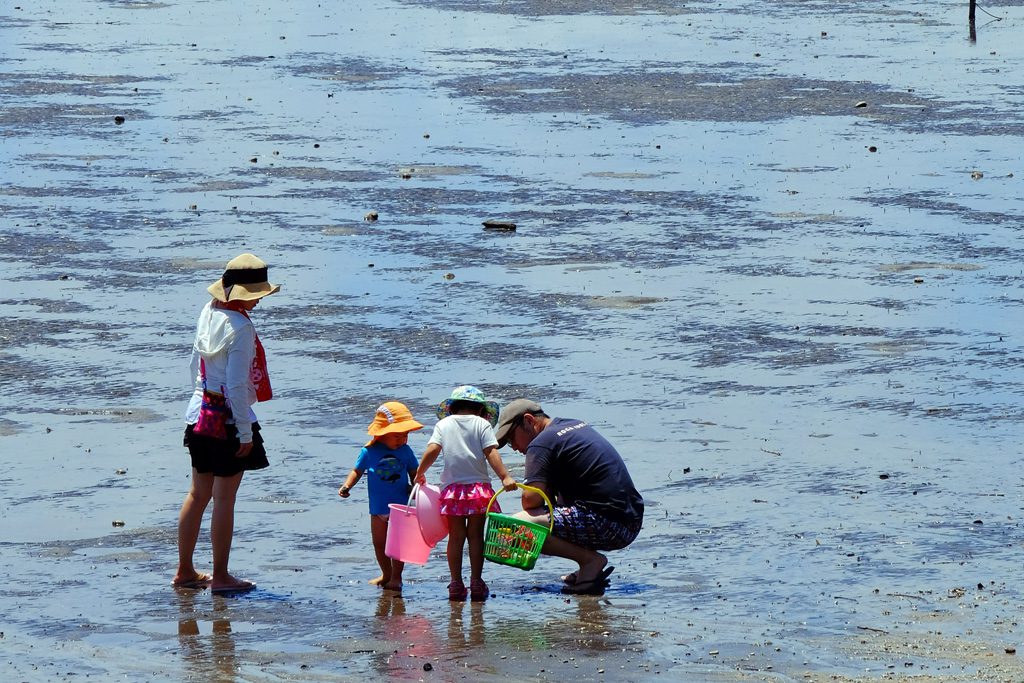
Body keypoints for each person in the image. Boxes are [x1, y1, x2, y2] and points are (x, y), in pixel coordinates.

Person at [172, 253, 280, 594]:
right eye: (257, 294)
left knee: (197, 494)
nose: (260, 300)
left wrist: (200, 397)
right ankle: (220, 576)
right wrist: (245, 432)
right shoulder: (242, 328)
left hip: (199, 413)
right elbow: (235, 385)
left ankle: (185, 570)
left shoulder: (209, 310)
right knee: (224, 500)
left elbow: (194, 364)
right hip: (229, 420)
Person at [494, 399, 644, 596]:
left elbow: (530, 500)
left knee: (517, 526)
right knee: (556, 507)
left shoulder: (542, 442)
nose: (513, 447)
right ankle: (587, 568)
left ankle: (590, 561)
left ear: (529, 421)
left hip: (609, 524)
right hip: (630, 520)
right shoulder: (572, 425)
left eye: (511, 438)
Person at [414, 386, 517, 601]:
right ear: (481, 410)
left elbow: (433, 449)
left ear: (451, 408)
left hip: (453, 490)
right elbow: (491, 451)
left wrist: (420, 472)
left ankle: (455, 583)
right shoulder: (482, 424)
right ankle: (476, 581)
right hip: (478, 489)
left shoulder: (443, 424)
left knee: (456, 537)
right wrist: (505, 477)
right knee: (476, 536)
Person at [338, 401, 423, 592]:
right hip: (378, 508)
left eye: (405, 435)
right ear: (382, 433)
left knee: (398, 545)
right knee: (379, 543)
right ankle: (386, 574)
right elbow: (357, 471)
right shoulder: (369, 452)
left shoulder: (405, 451)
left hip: (400, 507)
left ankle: (397, 578)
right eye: (396, 435)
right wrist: (347, 485)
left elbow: (414, 472)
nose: (402, 439)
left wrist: (417, 488)